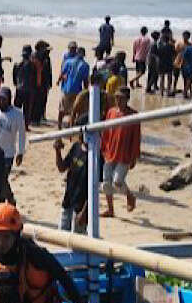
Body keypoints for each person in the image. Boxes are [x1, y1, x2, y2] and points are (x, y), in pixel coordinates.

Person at [100, 86, 140, 217]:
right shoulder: (111, 112)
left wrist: (134, 157)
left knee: (118, 181)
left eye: (121, 98)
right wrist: (102, 148)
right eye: (116, 98)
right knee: (106, 183)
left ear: (127, 99)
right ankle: (110, 209)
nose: (118, 101)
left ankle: (130, 196)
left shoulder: (133, 115)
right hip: (109, 152)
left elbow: (136, 137)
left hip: (124, 154)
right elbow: (105, 131)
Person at [53, 113, 97, 232]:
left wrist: (84, 212)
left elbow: (94, 189)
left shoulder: (96, 157)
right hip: (68, 202)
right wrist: (57, 151)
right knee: (62, 236)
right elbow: (62, 167)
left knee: (78, 243)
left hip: (80, 208)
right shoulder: (76, 147)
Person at [0, 87, 27, 204]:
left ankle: (9, 199)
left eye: (3, 99)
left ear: (9, 99)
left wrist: (20, 152)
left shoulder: (18, 115)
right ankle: (0, 200)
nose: (1, 101)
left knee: (2, 179)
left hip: (7, 154)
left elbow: (21, 134)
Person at [57, 46, 90, 127]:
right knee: (75, 110)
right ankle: (71, 126)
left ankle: (59, 126)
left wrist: (58, 81)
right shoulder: (85, 65)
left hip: (67, 89)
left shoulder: (68, 61)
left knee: (62, 109)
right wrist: (86, 91)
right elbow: (85, 81)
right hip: (77, 90)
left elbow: (62, 74)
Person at [12, 45, 36, 122]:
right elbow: (33, 77)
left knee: (16, 109)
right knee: (26, 109)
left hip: (19, 89)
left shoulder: (17, 64)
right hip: (28, 89)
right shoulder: (32, 65)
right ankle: (25, 125)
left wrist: (16, 84)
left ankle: (15, 122)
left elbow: (14, 77)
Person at [31, 41, 52, 127]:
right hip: (38, 83)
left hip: (44, 83)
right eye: (45, 49)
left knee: (42, 100)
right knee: (37, 101)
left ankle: (40, 116)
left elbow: (49, 71)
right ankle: (35, 119)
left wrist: (49, 82)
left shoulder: (46, 57)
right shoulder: (36, 57)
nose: (47, 51)